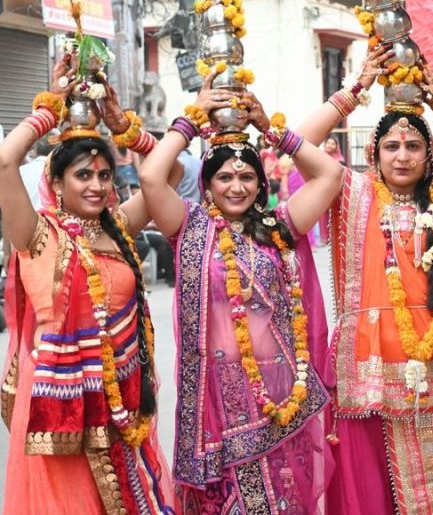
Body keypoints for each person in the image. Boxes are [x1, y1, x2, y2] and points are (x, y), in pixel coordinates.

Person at [293, 44, 433, 514]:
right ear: (374, 153)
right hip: (365, 378)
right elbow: (298, 142)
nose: (403, 156)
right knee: (370, 498)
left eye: (413, 146)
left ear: (430, 154)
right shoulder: (350, 193)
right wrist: (356, 89)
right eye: (391, 146)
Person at [138, 71, 340, 513]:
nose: (236, 186)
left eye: (247, 176)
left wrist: (270, 128)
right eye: (225, 177)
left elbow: (330, 174)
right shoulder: (189, 227)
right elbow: (152, 177)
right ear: (208, 184)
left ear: (260, 183)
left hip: (279, 399)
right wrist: (191, 119)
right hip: (215, 407)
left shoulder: (279, 227)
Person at [0, 53, 178, 513]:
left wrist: (124, 128)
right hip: (62, 403)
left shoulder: (118, 228)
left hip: (121, 396)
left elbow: (167, 174)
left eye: (103, 174)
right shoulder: (37, 235)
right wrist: (49, 109)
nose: (96, 185)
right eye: (82, 175)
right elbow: (3, 160)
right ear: (57, 183)